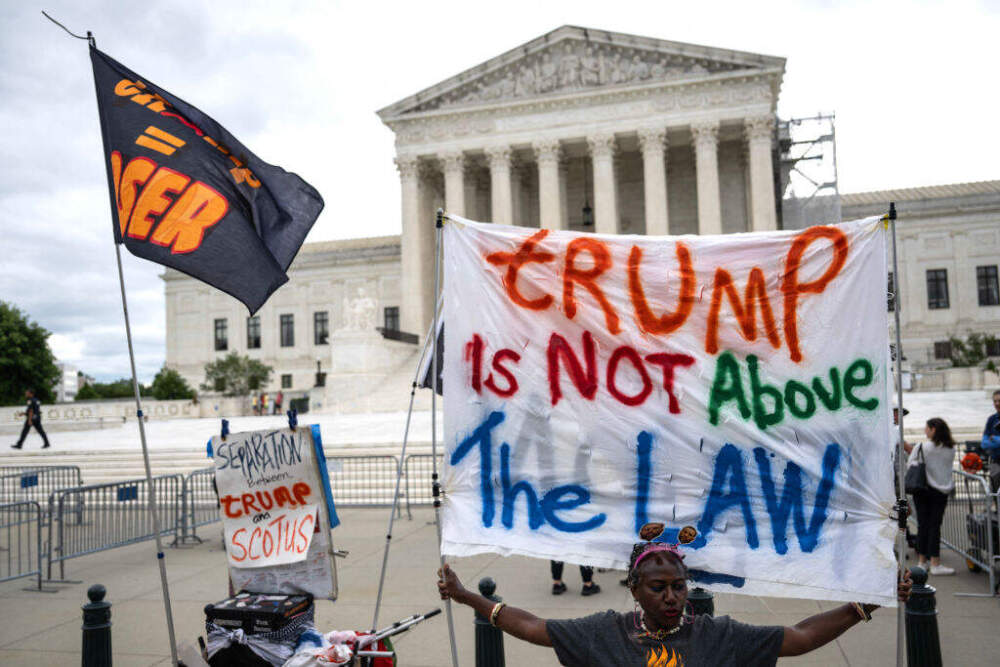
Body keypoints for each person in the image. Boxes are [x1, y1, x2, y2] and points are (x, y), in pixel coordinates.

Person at [437, 526, 912, 666]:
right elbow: (530, 626)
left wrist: (865, 603)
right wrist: (466, 597)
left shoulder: (717, 635)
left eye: (679, 587)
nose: (672, 597)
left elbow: (800, 637)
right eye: (659, 588)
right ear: (635, 591)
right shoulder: (604, 632)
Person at [903, 417, 957, 575]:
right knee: (935, 526)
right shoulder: (951, 448)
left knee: (922, 525)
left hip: (923, 489)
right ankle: (935, 562)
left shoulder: (922, 447)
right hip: (942, 491)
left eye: (926, 428)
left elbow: (911, 463)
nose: (924, 431)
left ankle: (922, 561)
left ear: (933, 429)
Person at [982, 389, 1000, 492]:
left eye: (999, 400)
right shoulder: (991, 419)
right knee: (994, 492)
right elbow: (984, 443)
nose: (997, 404)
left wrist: (995, 439)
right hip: (996, 463)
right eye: (995, 401)